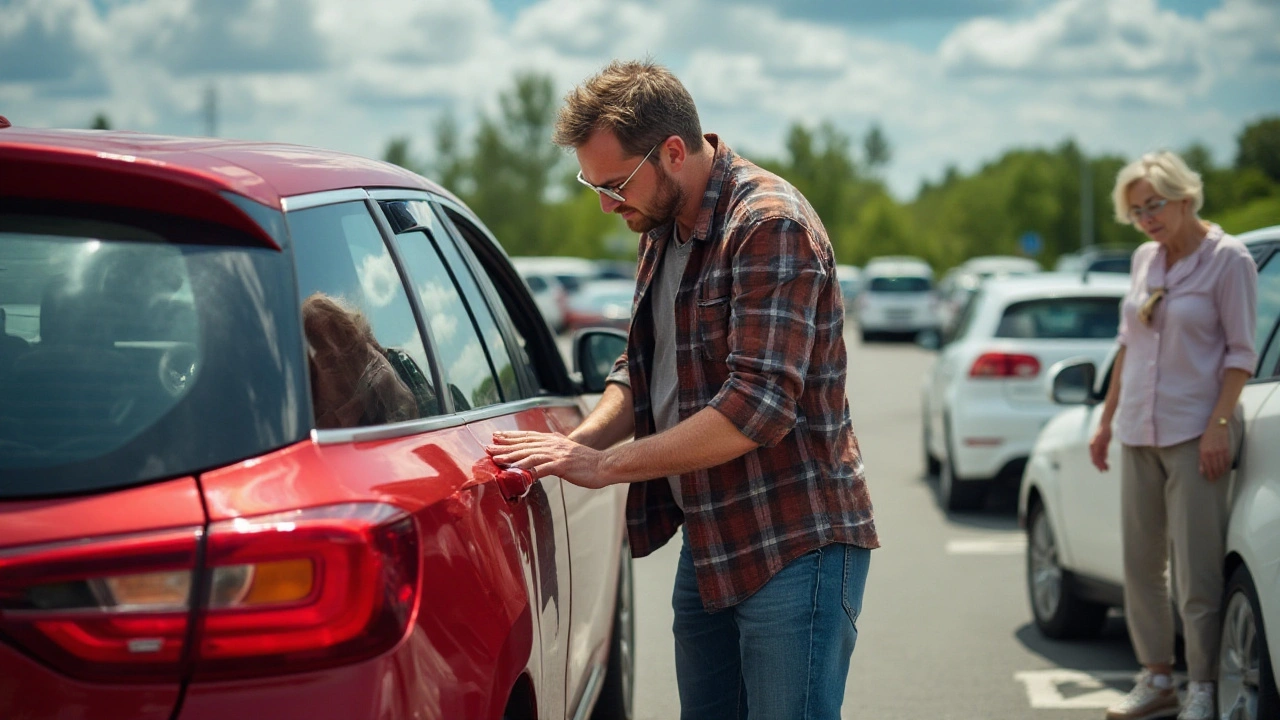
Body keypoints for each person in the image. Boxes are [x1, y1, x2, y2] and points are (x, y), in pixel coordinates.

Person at [486, 60, 878, 720]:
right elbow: (640, 374)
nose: (606, 204)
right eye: (592, 185)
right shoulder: (661, 226)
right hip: (714, 539)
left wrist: (604, 466)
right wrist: (568, 446)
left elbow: (756, 409)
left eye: (613, 184)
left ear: (672, 152)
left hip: (794, 542)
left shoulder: (768, 225)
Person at [1091, 151, 1257, 720]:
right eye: (1136, 211)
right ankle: (1157, 678)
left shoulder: (1229, 260)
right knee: (1140, 564)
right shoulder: (1144, 259)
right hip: (1138, 428)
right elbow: (1126, 345)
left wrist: (1219, 426)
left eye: (1154, 205)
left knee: (1196, 568)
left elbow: (1241, 355)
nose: (1146, 219)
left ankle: (1205, 686)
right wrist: (1106, 418)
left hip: (1194, 432)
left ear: (1185, 196)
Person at [301, 293, 418, 429]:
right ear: (311, 379)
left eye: (350, 350)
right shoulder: (305, 430)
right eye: (330, 361)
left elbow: (406, 414)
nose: (346, 366)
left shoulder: (378, 377)